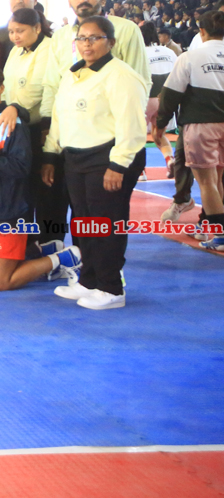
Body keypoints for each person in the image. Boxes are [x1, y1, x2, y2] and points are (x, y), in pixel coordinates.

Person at [42, 15, 148, 310]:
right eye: (81, 38)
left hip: (107, 157)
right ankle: (89, 280)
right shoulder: (72, 74)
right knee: (84, 222)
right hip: (76, 157)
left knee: (106, 224)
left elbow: (131, 125)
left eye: (94, 38)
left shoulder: (121, 75)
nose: (86, 44)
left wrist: (119, 164)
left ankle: (111, 288)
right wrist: (51, 154)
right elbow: (59, 118)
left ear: (110, 42)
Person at [40, 0, 151, 247]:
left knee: (107, 213)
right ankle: (85, 266)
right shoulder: (61, 36)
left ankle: (109, 270)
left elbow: (139, 81)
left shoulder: (126, 29)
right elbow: (53, 85)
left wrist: (125, 147)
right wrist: (49, 131)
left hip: (110, 140)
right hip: (73, 139)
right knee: (81, 211)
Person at [0, 65, 79, 290]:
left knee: (0, 282)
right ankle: (40, 250)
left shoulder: (13, 124)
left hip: (6, 213)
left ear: (2, 88)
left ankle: (64, 258)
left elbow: (21, 167)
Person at [155, 10, 224, 250]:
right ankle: (213, 230)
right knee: (219, 179)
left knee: (207, 183)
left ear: (201, 31)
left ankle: (220, 235)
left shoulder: (190, 57)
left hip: (200, 125)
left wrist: (160, 125)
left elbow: (170, 95)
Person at [2, 8, 62, 248]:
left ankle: (52, 242)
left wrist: (13, 108)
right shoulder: (15, 51)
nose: (14, 36)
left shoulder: (49, 48)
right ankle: (27, 240)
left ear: (37, 28)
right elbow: (5, 85)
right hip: (17, 126)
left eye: (20, 31)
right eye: (11, 31)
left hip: (42, 128)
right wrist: (3, 109)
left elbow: (36, 88)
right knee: (24, 187)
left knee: (47, 190)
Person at [143, 21, 177, 172]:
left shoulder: (140, 53)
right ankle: (169, 160)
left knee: (137, 137)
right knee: (159, 134)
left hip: (147, 98)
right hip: (165, 100)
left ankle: (140, 171)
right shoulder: (168, 52)